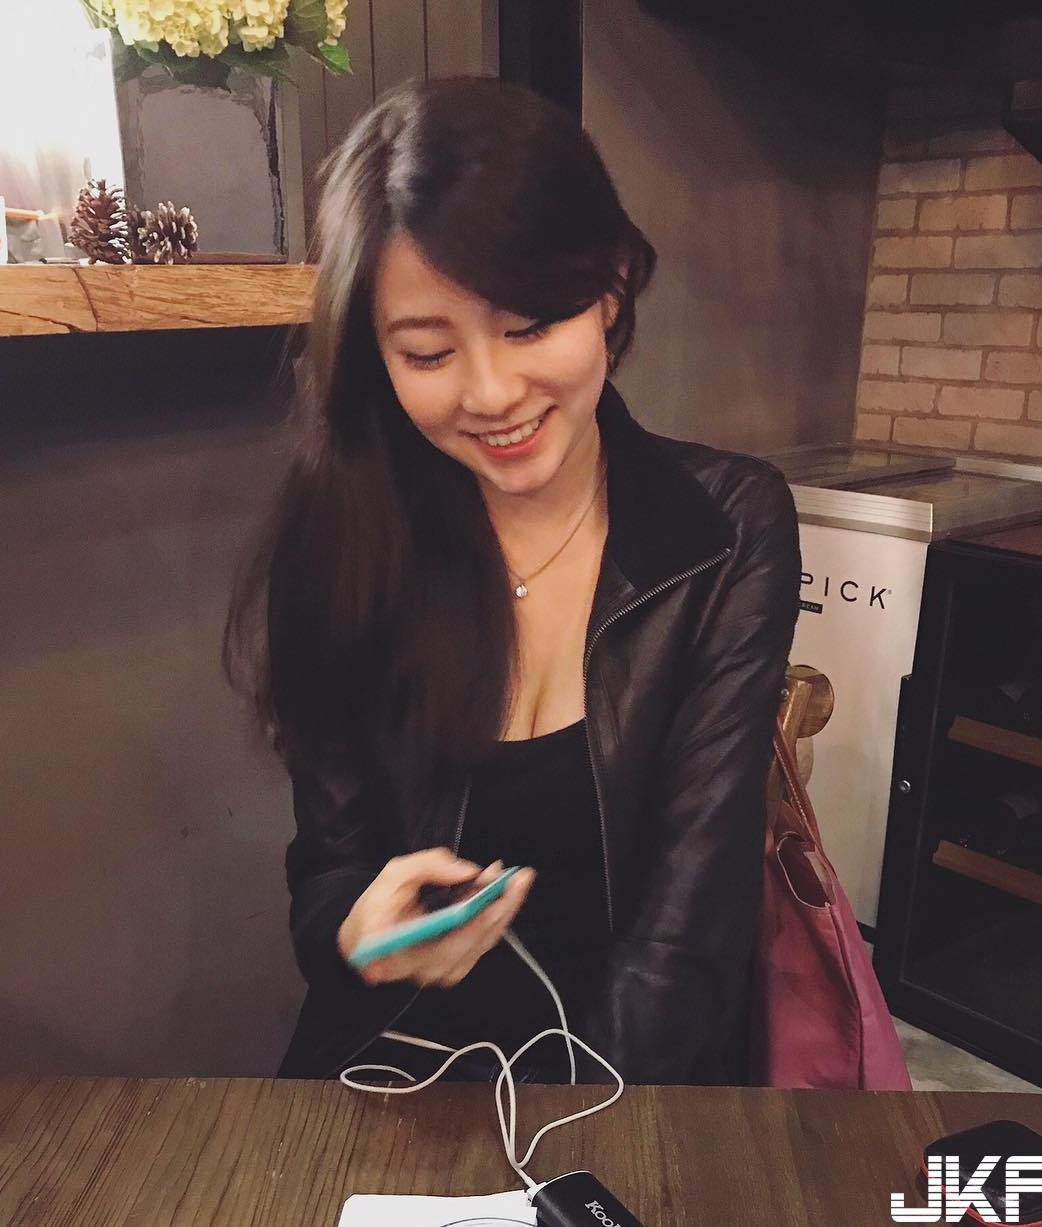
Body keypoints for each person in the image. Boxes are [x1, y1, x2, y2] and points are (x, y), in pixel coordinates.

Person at [224, 77, 800, 1087]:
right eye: (428, 352)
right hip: (388, 1072)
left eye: (529, 326)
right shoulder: (345, 535)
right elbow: (326, 874)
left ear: (609, 290)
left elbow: (688, 943)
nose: (490, 394)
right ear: (377, 354)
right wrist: (357, 929)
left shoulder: (725, 529)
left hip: (622, 1093)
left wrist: (556, 1143)